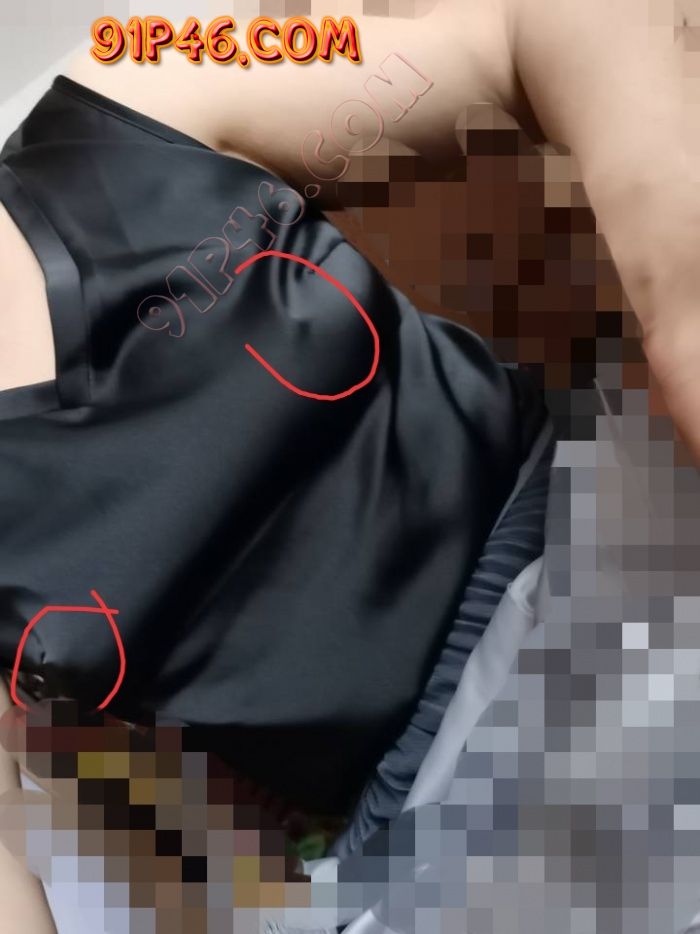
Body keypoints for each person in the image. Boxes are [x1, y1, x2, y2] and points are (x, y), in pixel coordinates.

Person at [0, 0, 699, 930]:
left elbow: (531, 23)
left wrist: (683, 304)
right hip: (426, 838)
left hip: (603, 536)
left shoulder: (132, 77)